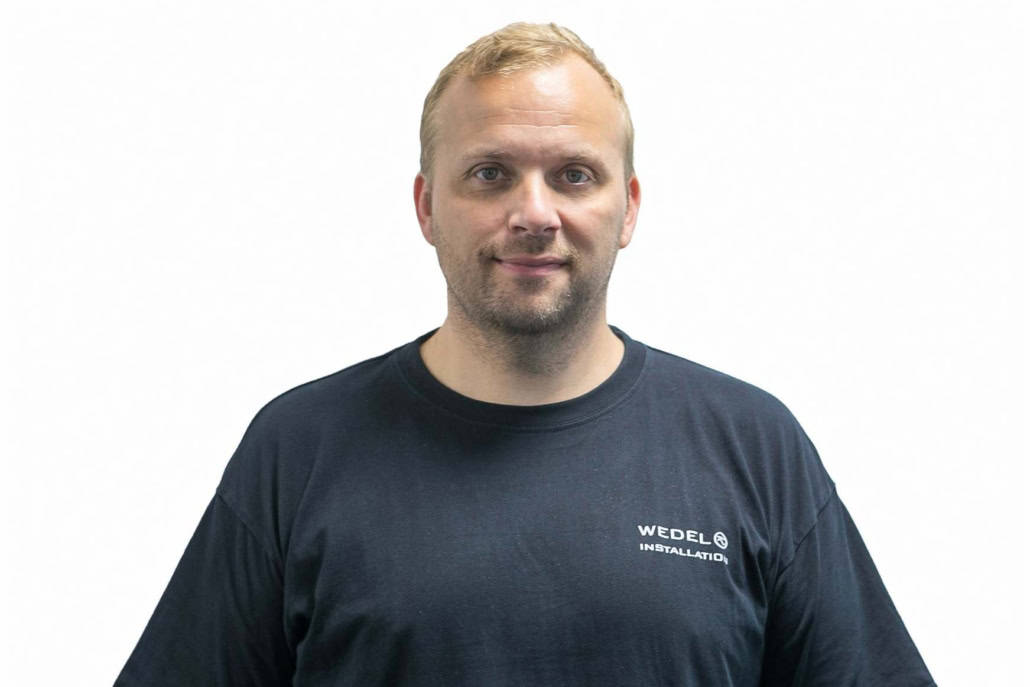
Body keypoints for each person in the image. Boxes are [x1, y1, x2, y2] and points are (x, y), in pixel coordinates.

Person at [115, 22, 936, 686]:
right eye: (490, 173)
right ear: (427, 205)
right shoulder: (299, 449)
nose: (534, 213)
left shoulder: (753, 446)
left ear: (628, 208)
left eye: (574, 175)